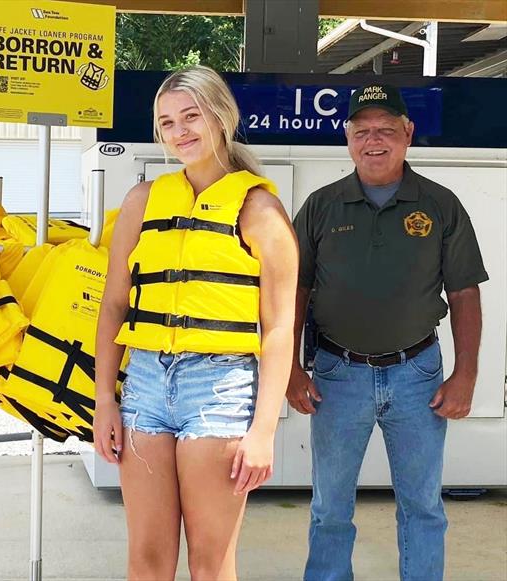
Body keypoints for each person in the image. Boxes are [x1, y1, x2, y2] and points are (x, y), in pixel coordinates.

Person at [93, 65, 298, 580]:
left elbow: (278, 329)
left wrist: (264, 431)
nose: (180, 131)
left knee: (210, 562)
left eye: (191, 116)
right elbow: (115, 305)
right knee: (146, 559)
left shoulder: (260, 210)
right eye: (167, 122)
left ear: (221, 116)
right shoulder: (142, 202)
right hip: (144, 384)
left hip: (220, 389)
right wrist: (104, 401)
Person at [288, 84, 488, 581]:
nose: (373, 140)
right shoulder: (322, 205)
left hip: (417, 375)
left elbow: (465, 294)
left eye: (385, 130)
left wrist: (465, 376)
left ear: (407, 134)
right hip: (337, 373)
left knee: (422, 507)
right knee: (329, 508)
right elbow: (292, 289)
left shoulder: (441, 205)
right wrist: (288, 368)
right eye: (362, 131)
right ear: (348, 137)